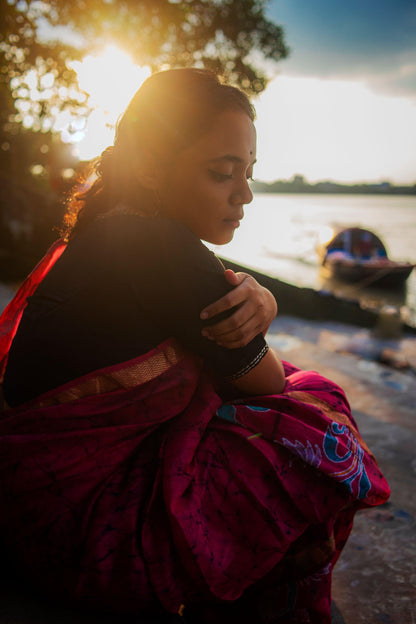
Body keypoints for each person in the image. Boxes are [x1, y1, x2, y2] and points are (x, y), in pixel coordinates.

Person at [0, 69, 389, 624]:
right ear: (152, 167)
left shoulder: (107, 229)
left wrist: (261, 303)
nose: (245, 194)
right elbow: (268, 383)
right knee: (318, 416)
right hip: (84, 539)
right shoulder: (163, 245)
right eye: (222, 172)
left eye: (249, 173)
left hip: (27, 512)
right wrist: (267, 309)